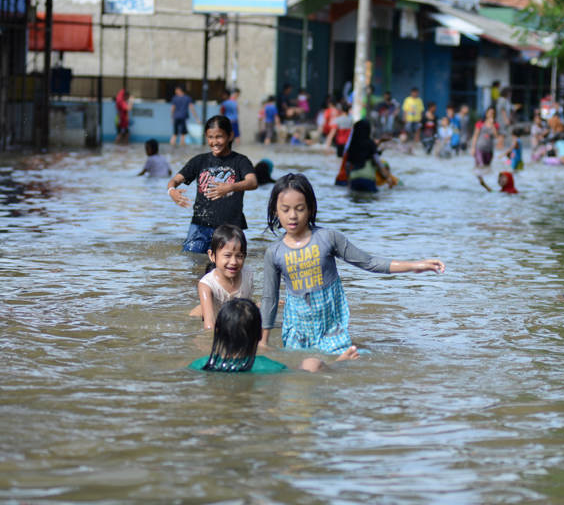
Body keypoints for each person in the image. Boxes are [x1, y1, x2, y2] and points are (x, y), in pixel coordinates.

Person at [260, 173, 444, 353]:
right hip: (297, 329)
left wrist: (415, 265)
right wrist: (263, 342)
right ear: (276, 211)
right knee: (300, 372)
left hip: (331, 328)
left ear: (310, 208)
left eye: (299, 209)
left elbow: (369, 262)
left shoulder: (328, 238)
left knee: (348, 362)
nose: (292, 216)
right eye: (285, 210)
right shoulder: (274, 253)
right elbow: (270, 298)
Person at [189, 298, 359, 374]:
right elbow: (308, 370)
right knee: (312, 362)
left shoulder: (200, 365)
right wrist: (337, 364)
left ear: (217, 333)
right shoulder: (269, 367)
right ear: (258, 335)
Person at [167, 115, 258, 253]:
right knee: (192, 260)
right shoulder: (199, 161)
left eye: (219, 137)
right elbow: (175, 180)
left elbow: (252, 182)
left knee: (228, 264)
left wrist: (230, 187)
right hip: (199, 226)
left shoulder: (240, 161)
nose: (214, 142)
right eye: (210, 137)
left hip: (229, 228)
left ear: (230, 136)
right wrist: (172, 191)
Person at [195, 225, 254, 330]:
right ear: (212, 256)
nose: (233, 262)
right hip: (213, 319)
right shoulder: (207, 285)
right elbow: (209, 325)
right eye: (227, 255)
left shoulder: (247, 274)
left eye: (239, 256)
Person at [345, 120, 394, 192]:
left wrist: (349, 181)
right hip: (368, 178)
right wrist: (388, 178)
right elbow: (378, 162)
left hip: (354, 178)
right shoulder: (370, 144)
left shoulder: (352, 146)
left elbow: (348, 165)